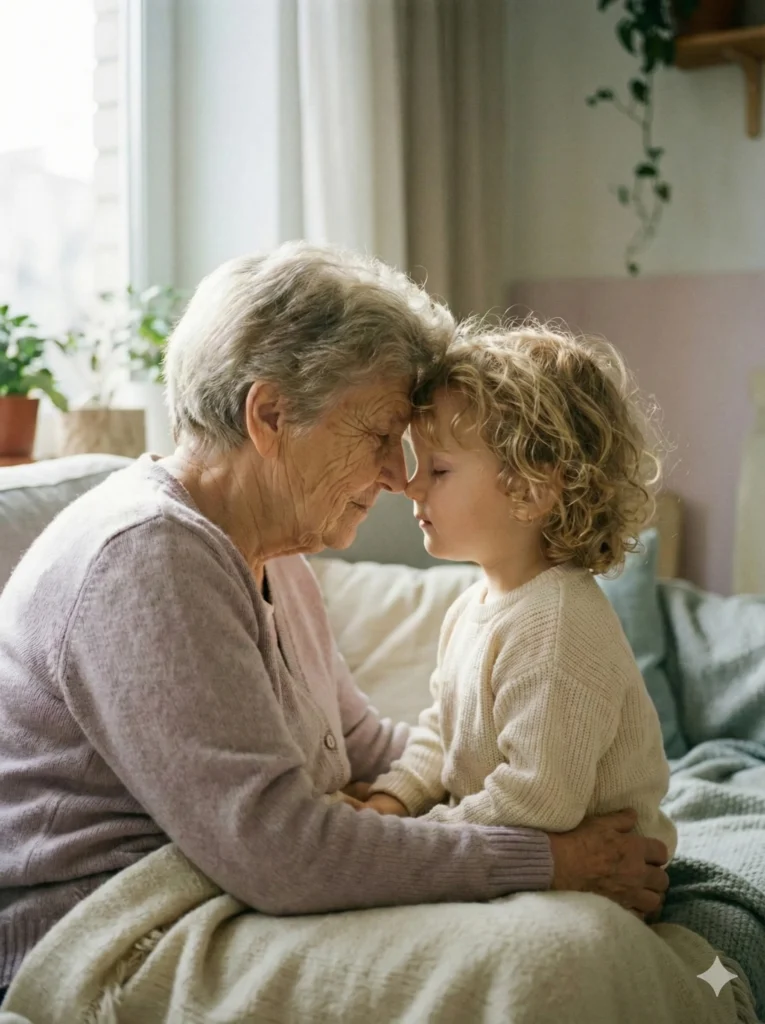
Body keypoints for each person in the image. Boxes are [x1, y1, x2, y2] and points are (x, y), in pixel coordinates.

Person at [0, 245, 669, 1000]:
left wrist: (409, 803)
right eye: (380, 433)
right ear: (270, 416)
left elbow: (357, 751)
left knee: (582, 943)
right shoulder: (148, 557)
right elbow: (279, 852)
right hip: (115, 933)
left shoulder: (273, 552)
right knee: (560, 955)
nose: (396, 475)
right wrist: (551, 860)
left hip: (227, 893)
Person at [364, 325, 677, 862]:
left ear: (530, 491)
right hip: (508, 847)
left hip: (604, 874)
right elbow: (442, 734)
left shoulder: (558, 625)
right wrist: (390, 801)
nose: (412, 487)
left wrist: (418, 837)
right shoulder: (470, 607)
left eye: (438, 468)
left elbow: (539, 798)